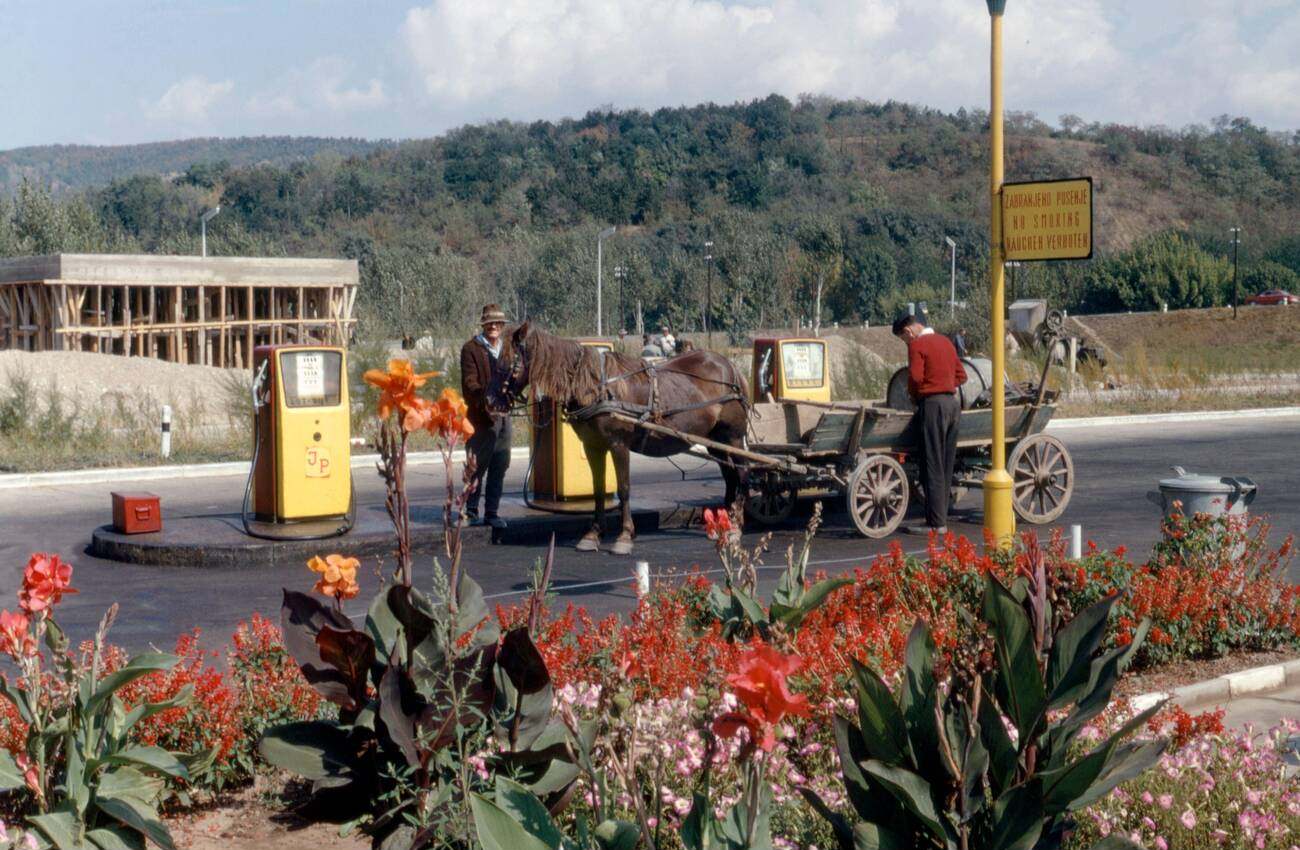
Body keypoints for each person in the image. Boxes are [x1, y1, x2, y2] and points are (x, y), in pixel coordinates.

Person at [893, 314, 966, 534]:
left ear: (909, 331)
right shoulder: (946, 342)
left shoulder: (917, 345)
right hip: (952, 406)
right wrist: (945, 383)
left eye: (903, 338)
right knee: (945, 464)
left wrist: (916, 395)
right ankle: (940, 518)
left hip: (933, 406)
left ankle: (936, 524)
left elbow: (915, 378)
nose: (906, 342)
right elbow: (962, 376)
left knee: (932, 464)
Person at [460, 304, 512, 529]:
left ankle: (492, 512)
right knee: (477, 465)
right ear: (484, 325)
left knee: (500, 464)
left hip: (504, 416)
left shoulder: (507, 349)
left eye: (497, 323)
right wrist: (486, 398)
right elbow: (469, 383)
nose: (493, 326)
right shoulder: (471, 349)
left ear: (502, 326)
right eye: (489, 323)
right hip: (481, 417)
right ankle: (471, 510)